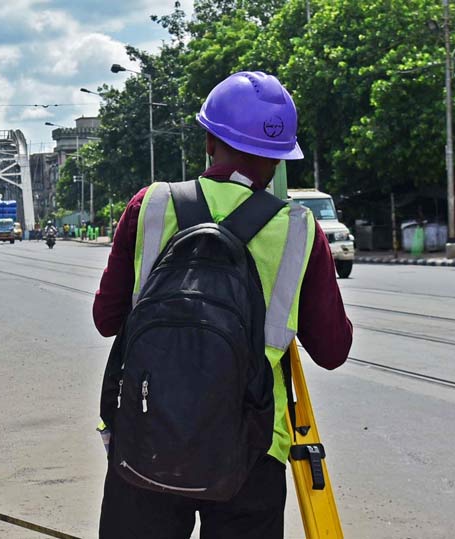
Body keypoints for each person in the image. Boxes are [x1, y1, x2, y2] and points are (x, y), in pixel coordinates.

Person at [93, 71, 352, 538]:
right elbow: (333, 351)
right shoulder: (298, 229)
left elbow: (106, 320)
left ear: (209, 140)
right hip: (252, 450)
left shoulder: (150, 205)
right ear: (277, 159)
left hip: (147, 436)